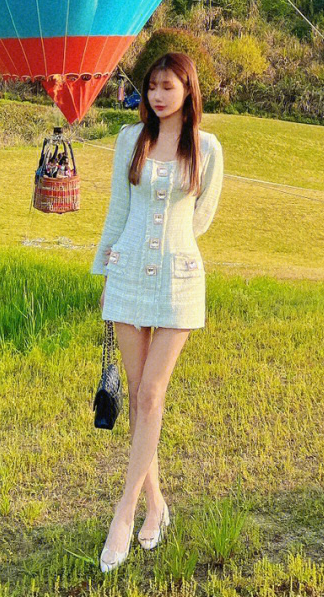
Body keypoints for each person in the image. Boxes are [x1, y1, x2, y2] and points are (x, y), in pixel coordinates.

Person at [90, 51, 224, 572]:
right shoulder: (130, 140)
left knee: (150, 392)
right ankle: (155, 506)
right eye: (152, 87)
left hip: (179, 280)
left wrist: (171, 246)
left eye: (168, 86)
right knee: (140, 395)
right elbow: (117, 212)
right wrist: (105, 274)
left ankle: (124, 513)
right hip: (126, 274)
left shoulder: (208, 148)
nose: (158, 96)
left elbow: (203, 216)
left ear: (188, 91)